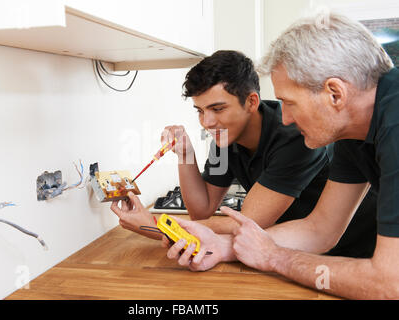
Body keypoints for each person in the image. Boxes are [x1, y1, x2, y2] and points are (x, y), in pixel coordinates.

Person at [163, 13, 399, 299]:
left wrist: (275, 257)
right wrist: (227, 247)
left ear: (334, 94)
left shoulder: (393, 123)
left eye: (289, 102)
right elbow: (321, 229)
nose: (284, 117)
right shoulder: (351, 128)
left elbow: (389, 283)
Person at [111, 50, 377, 259]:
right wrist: (185, 155)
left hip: (357, 247)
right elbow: (201, 210)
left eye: (217, 108)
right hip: (297, 245)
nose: (207, 122)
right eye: (200, 111)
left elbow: (248, 223)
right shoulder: (224, 137)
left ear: (251, 102)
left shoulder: (294, 136)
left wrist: (155, 224)